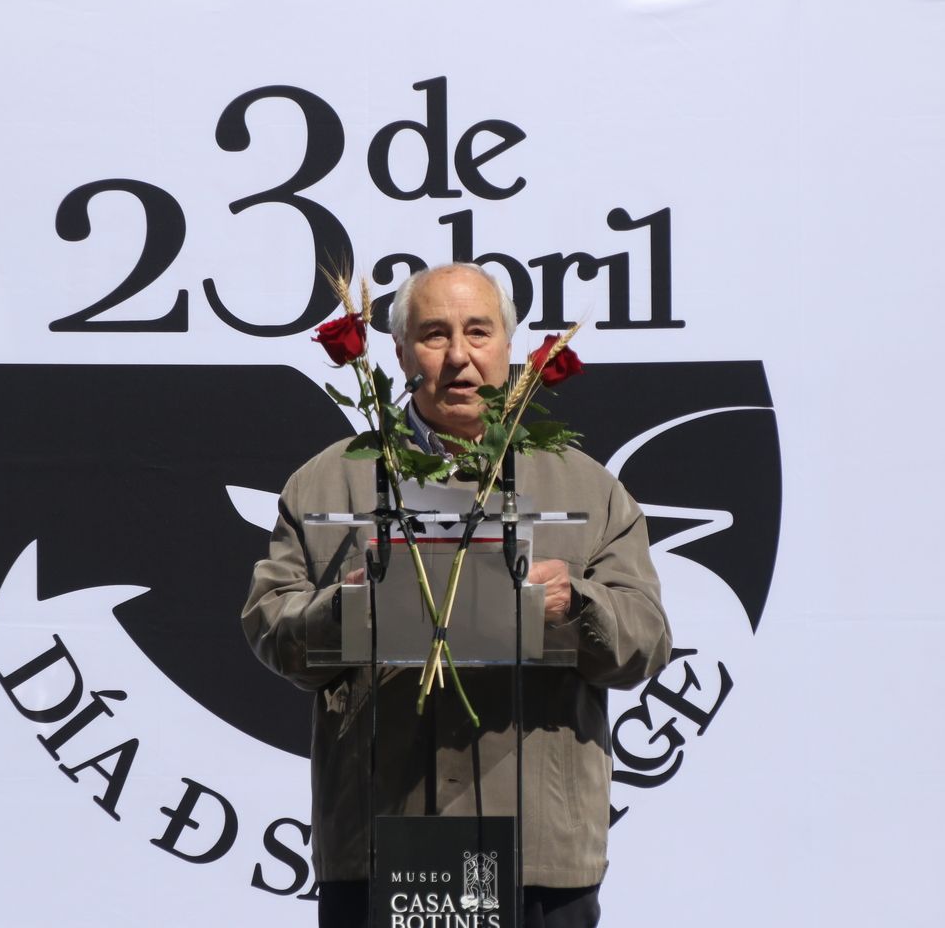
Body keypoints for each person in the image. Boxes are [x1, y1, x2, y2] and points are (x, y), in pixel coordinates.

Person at [242, 263, 672, 928]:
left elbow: (645, 642)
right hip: (378, 848)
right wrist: (352, 606)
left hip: (539, 855)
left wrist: (575, 604)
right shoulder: (326, 484)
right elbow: (272, 632)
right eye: (435, 335)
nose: (460, 357)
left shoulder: (590, 491)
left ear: (510, 346)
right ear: (400, 352)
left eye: (479, 331)